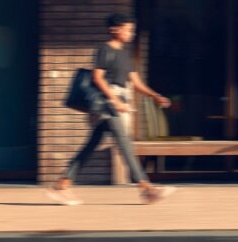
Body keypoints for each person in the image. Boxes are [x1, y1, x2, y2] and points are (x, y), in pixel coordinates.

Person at [45, 14, 177, 205]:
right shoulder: (104, 49)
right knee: (124, 143)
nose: (130, 33)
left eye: (131, 30)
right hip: (107, 103)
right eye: (127, 29)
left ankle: (61, 185)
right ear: (115, 29)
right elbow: (98, 78)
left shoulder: (125, 53)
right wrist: (115, 101)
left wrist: (154, 95)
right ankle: (146, 188)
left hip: (118, 101)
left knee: (91, 145)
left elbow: (135, 81)